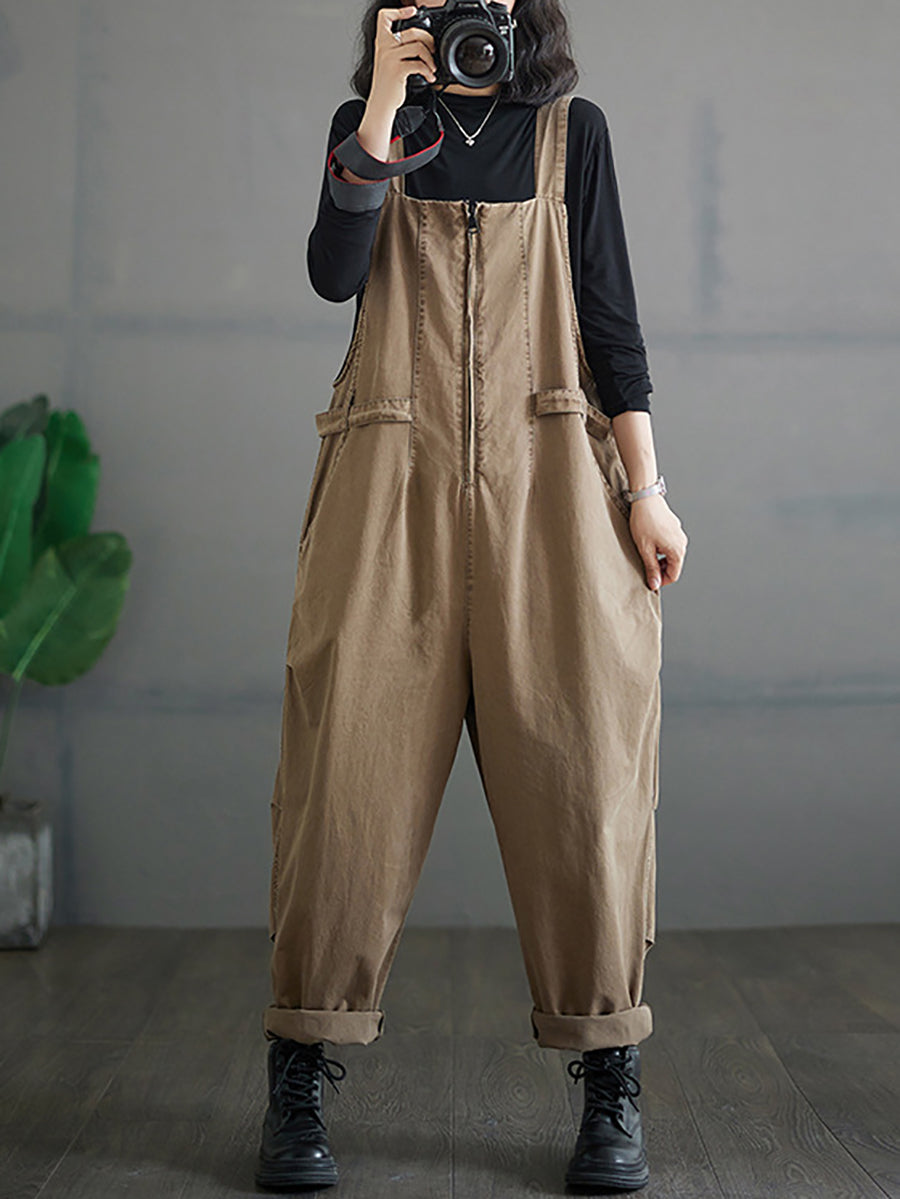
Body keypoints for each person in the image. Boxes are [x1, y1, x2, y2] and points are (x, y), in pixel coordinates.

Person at [256, 1, 689, 1192]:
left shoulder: (572, 133)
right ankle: (299, 1074)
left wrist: (647, 490)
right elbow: (331, 274)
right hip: (384, 487)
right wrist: (382, 114)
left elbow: (611, 320)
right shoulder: (371, 124)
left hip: (555, 489)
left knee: (587, 782)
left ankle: (610, 1076)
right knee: (342, 787)